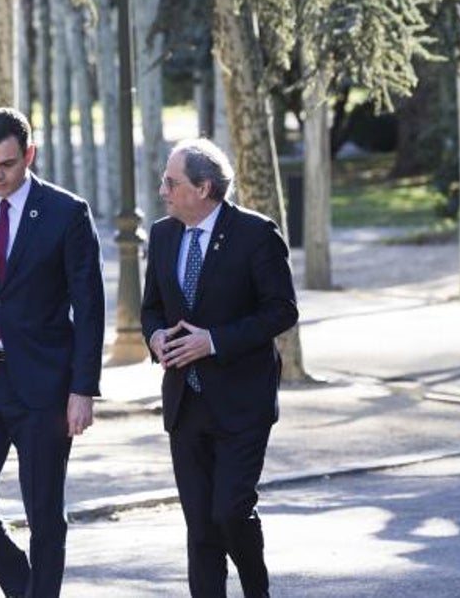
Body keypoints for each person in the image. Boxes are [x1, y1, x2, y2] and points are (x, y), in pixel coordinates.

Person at [0, 107, 104, 598]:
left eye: (6, 163)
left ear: (28, 154)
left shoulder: (66, 213)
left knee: (44, 512)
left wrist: (83, 389)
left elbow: (89, 307)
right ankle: (24, 586)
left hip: (45, 387)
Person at [140, 139, 298, 598]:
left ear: (203, 187)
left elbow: (281, 311)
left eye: (172, 182)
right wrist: (154, 338)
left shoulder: (256, 234)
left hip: (241, 402)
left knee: (229, 512)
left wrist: (214, 341)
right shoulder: (164, 234)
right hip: (185, 404)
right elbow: (152, 309)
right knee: (200, 528)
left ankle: (256, 590)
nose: (162, 190)